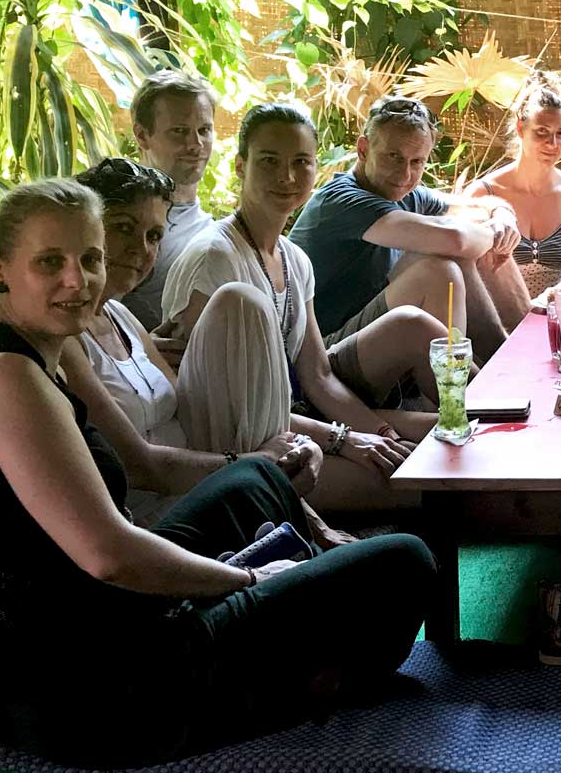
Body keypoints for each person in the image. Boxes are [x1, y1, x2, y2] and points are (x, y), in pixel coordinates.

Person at [0, 179, 433, 766]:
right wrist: (246, 579)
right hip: (83, 687)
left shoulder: (42, 355)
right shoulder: (5, 378)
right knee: (406, 561)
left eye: (89, 259)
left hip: (106, 614)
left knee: (257, 480)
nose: (77, 280)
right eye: (49, 262)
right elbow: (110, 555)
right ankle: (295, 678)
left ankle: (292, 638)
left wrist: (278, 463)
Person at [62, 158, 406, 521]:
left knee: (413, 468)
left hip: (215, 478)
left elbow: (222, 405)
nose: (141, 248)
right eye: (123, 227)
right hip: (169, 519)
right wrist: (257, 462)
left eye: (154, 236)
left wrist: (331, 439)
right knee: (240, 302)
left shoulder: (123, 319)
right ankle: (296, 515)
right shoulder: (66, 341)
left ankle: (299, 512)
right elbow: (142, 467)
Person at [164, 103, 437, 479]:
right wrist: (344, 439)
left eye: (301, 162)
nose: (287, 177)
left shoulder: (293, 258)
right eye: (269, 161)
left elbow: (319, 377)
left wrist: (381, 434)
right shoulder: (214, 259)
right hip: (244, 452)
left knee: (446, 437)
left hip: (297, 422)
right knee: (424, 482)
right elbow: (219, 403)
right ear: (241, 166)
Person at [290, 95, 525, 368]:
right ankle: (462, 383)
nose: (404, 175)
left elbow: (479, 208)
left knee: (472, 244)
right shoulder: (342, 200)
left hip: (370, 332)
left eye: (417, 162)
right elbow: (456, 239)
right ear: (363, 149)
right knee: (439, 270)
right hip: (321, 353)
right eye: (394, 157)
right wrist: (494, 235)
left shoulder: (404, 192)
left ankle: (509, 352)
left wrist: (502, 215)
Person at [465, 70, 561, 298]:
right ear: (521, 128)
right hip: (494, 313)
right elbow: (465, 274)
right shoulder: (483, 194)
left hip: (552, 313)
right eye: (542, 132)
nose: (552, 143)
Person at [120, 70, 217, 332]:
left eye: (204, 130)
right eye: (179, 131)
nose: (195, 144)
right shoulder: (121, 222)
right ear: (142, 135)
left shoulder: (214, 228)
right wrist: (141, 346)